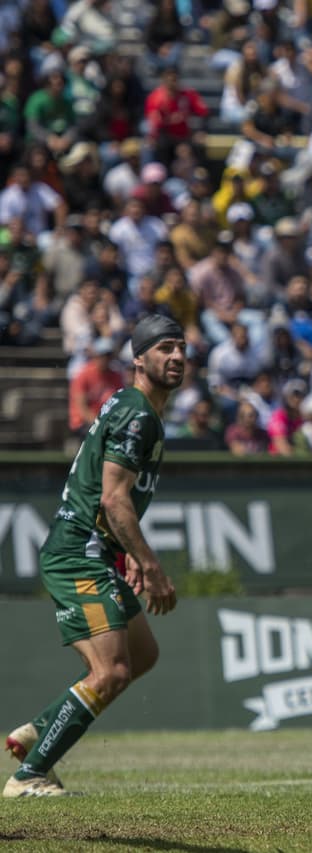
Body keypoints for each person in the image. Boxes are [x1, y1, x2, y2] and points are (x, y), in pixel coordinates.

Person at [4, 315, 183, 797]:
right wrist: (149, 564)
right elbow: (113, 499)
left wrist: (125, 554)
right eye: (165, 348)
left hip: (95, 550)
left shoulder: (139, 409)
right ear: (139, 359)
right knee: (112, 671)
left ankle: (38, 732)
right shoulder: (138, 413)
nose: (178, 356)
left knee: (142, 653)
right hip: (78, 553)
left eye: (181, 348)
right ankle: (30, 776)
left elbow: (111, 501)